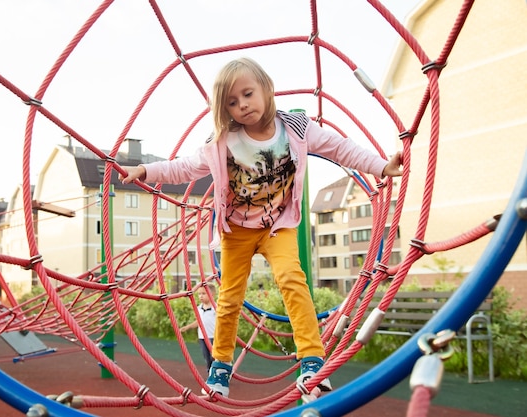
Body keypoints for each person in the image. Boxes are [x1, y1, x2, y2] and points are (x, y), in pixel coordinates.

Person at [120, 57, 403, 397]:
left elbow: (340, 148)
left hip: (277, 226)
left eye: (248, 94)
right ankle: (221, 366)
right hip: (236, 230)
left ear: (268, 89)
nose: (242, 106)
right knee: (229, 298)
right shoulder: (223, 140)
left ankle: (312, 359)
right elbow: (186, 168)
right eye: (232, 102)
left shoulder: (297, 128)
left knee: (292, 280)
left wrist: (382, 166)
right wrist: (148, 172)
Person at [180, 283, 217, 375]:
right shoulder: (199, 308)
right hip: (202, 337)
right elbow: (198, 322)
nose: (201, 296)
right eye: (199, 294)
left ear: (212, 294)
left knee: (215, 357)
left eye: (203, 294)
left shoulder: (216, 308)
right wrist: (187, 327)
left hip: (213, 336)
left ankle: (217, 373)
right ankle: (210, 372)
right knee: (206, 357)